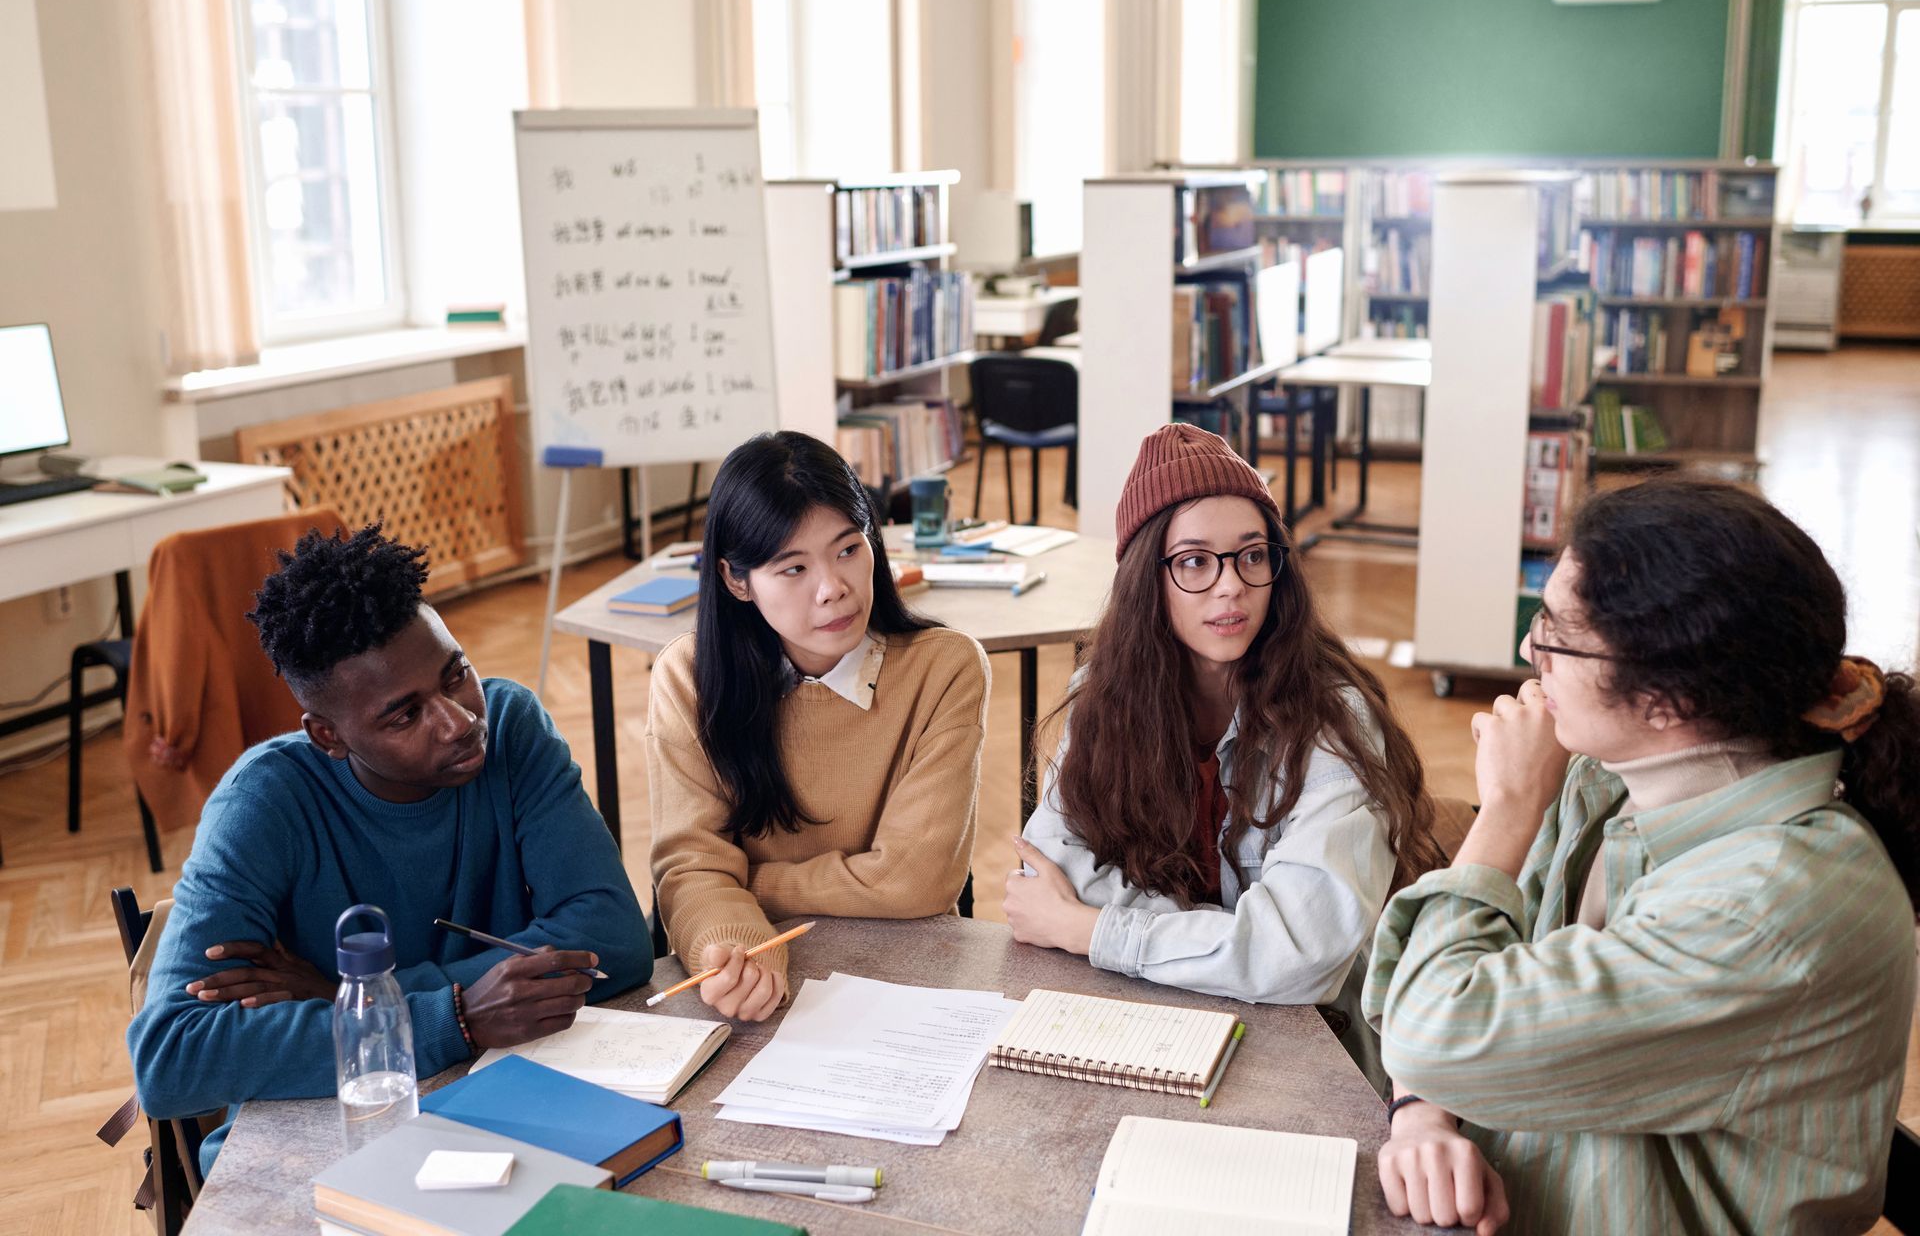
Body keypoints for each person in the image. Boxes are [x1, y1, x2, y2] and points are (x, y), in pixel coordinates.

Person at [1365, 478, 1919, 1235]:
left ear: (1669, 700)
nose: (1531, 652)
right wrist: (1421, 1116)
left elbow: (1435, 1027)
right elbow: (1450, 1013)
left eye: (1557, 635)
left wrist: (1506, 811)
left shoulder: (1766, 907)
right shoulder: (1609, 775)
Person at [127, 525, 650, 1171]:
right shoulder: (262, 802)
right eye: (404, 715)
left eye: (456, 674)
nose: (459, 721)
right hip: (326, 1136)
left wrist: (351, 1000)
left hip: (514, 1096)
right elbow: (171, 1057)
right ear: (328, 735)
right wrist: (449, 1018)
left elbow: (617, 942)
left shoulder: (510, 728)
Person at [1006, 423, 1442, 1088]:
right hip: (1146, 1023)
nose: (1230, 586)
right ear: (1145, 580)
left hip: (1314, 1055)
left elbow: (1300, 959)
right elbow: (1049, 877)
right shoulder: (1101, 696)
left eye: (1251, 556)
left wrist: (1097, 931)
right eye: (1193, 561)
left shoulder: (1335, 721)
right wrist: (1240, 941)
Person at [648, 432, 990, 1022]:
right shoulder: (689, 677)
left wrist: (746, 881)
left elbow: (916, 880)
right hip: (762, 985)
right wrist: (735, 942)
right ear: (736, 581)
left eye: (848, 550)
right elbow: (691, 866)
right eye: (793, 568)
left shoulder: (944, 667)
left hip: (910, 980)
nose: (833, 588)